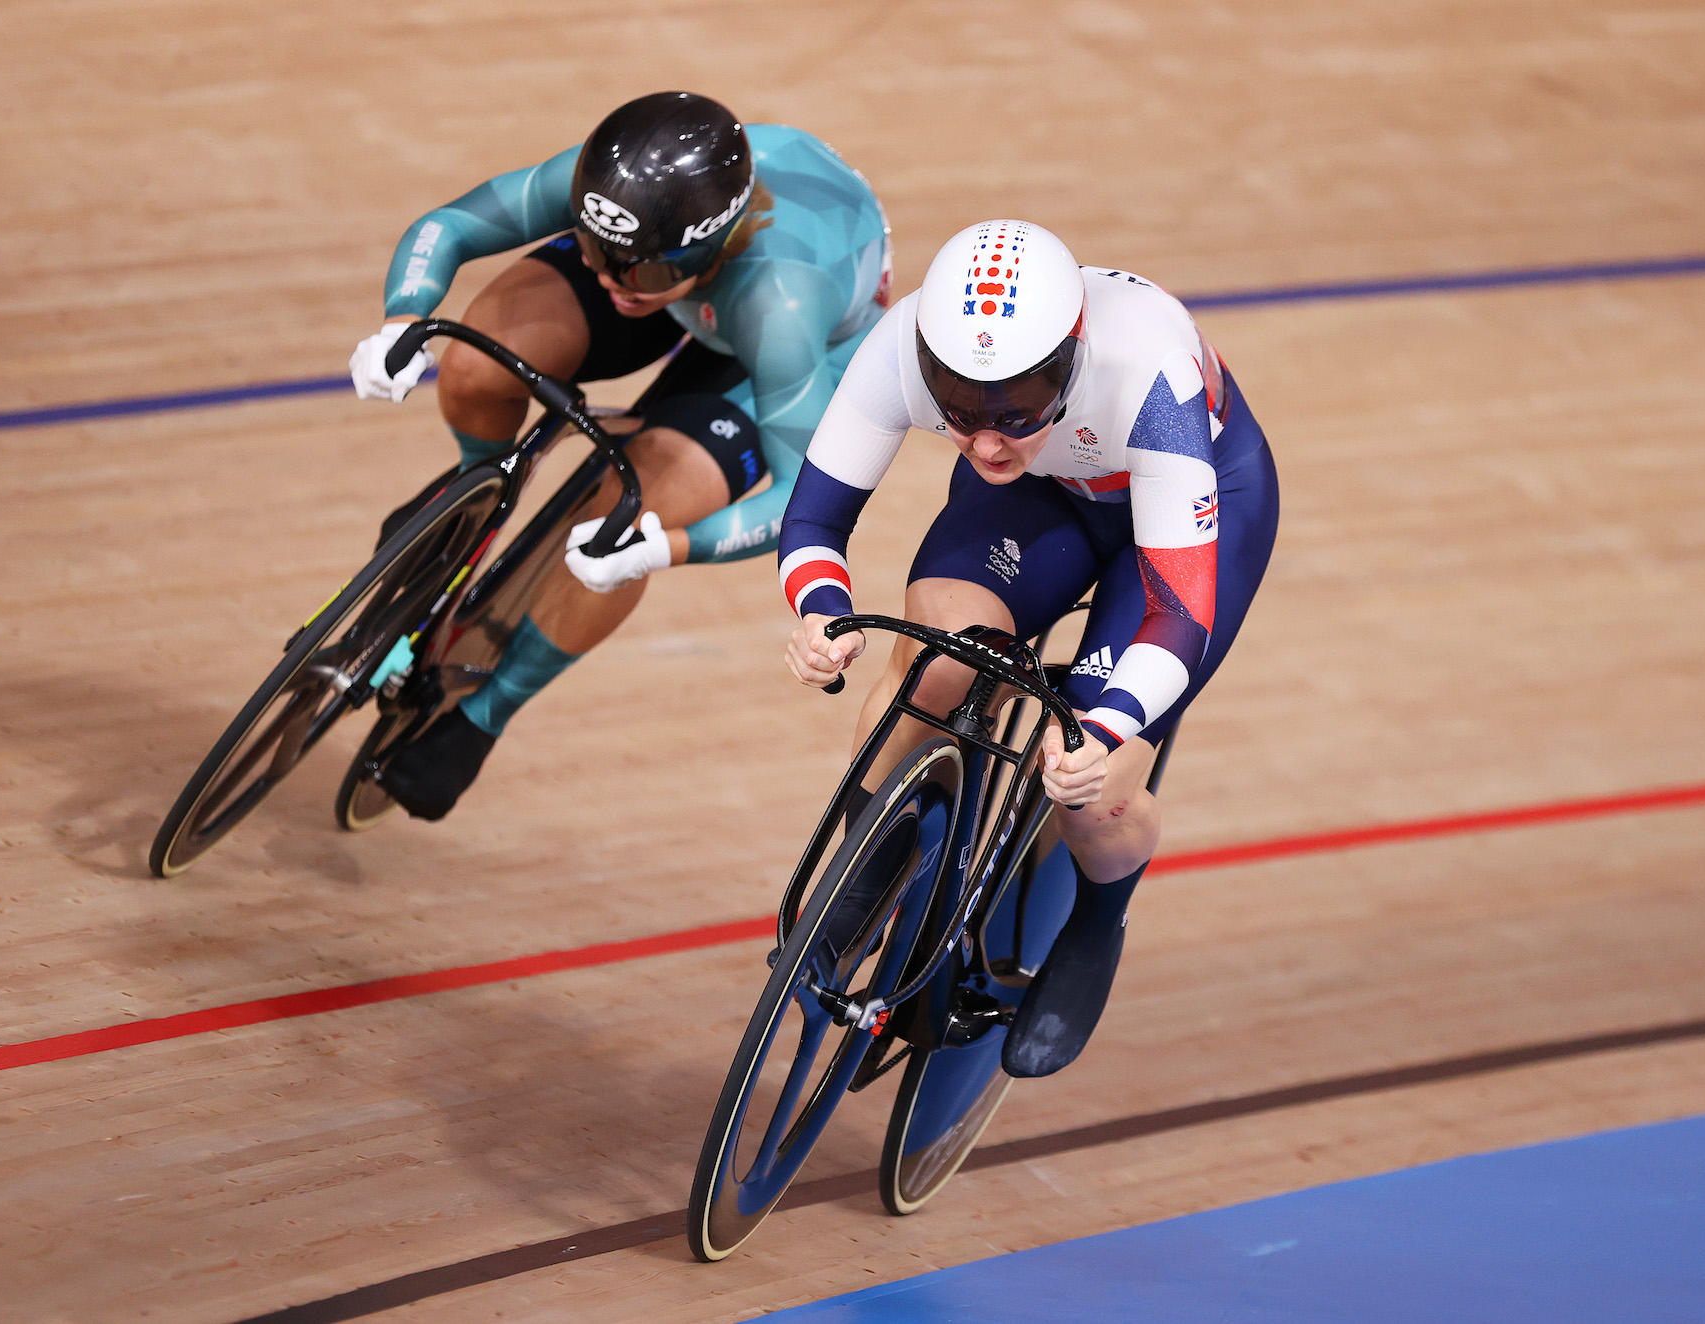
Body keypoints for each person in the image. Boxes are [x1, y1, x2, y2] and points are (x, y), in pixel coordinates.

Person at [777, 220, 1279, 1078]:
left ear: (1069, 363)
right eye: (959, 416)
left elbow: (1179, 616)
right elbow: (817, 518)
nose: (981, 444)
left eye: (1014, 413)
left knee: (1092, 783)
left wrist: (1113, 723)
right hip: (1043, 496)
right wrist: (824, 613)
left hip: (1190, 511)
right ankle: (869, 860)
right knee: (934, 664)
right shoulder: (908, 345)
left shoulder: (1144, 369)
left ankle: (1097, 918)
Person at [346, 91, 893, 821]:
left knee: (632, 508)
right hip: (689, 284)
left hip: (789, 339)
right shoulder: (616, 193)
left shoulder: (782, 303)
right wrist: (402, 318)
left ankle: (484, 717)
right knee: (480, 363)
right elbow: (446, 226)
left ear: (708, 249)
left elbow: (804, 505)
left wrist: (662, 548)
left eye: (641, 271)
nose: (611, 279)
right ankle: (469, 506)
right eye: (597, 251)